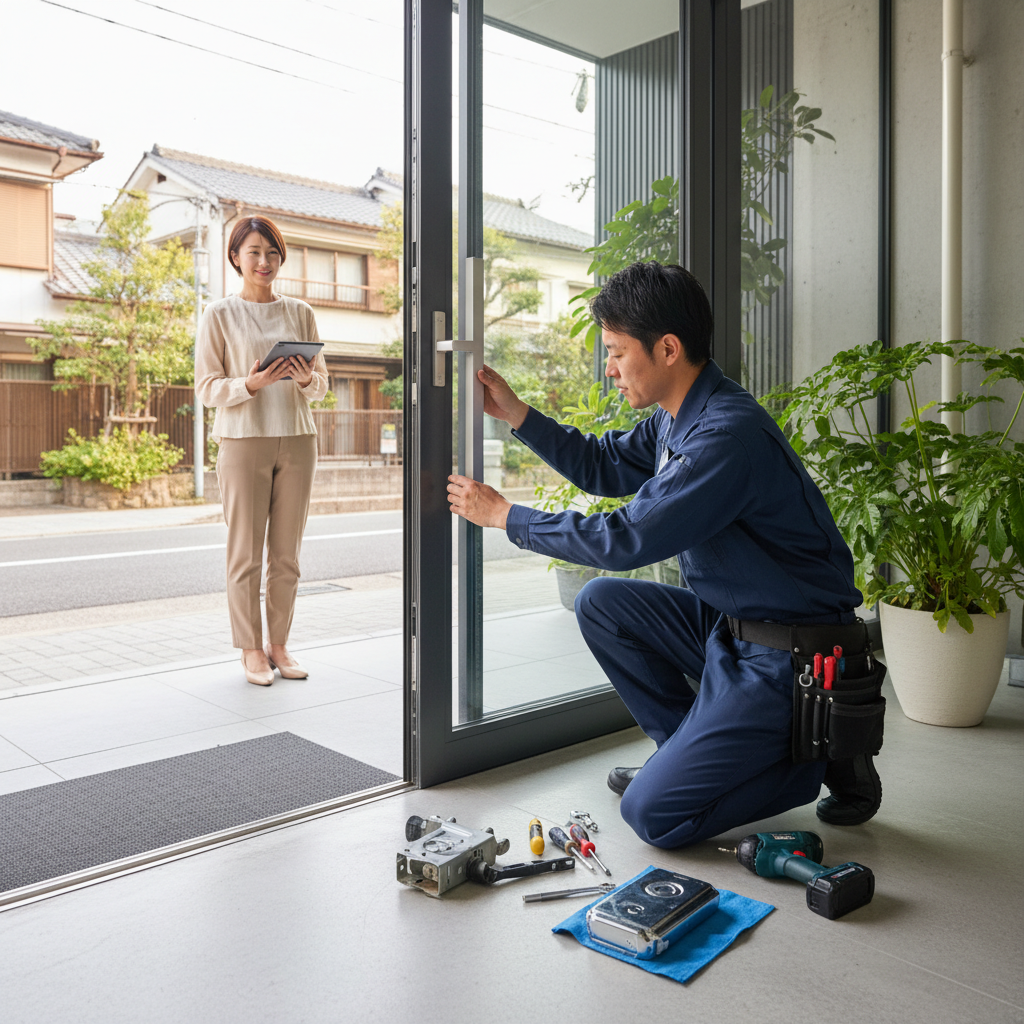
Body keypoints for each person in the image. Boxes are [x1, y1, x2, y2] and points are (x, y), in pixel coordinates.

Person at [446, 261, 882, 849]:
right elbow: (603, 466)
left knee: (653, 817)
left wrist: (507, 517)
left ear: (668, 349)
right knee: (602, 604)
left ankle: (802, 766)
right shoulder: (679, 418)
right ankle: (687, 757)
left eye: (618, 352)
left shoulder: (722, 437)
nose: (611, 369)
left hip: (791, 656)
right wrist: (517, 414)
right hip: (734, 630)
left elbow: (625, 540)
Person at [195, 216, 328, 687]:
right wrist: (252, 383)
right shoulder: (219, 314)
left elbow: (322, 386)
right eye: (253, 252)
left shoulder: (300, 312)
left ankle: (279, 645)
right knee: (245, 553)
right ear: (235, 257)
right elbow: (207, 388)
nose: (264, 262)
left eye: (272, 253)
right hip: (242, 439)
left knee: (287, 554)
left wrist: (305, 376)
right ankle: (251, 649)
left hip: (297, 437)